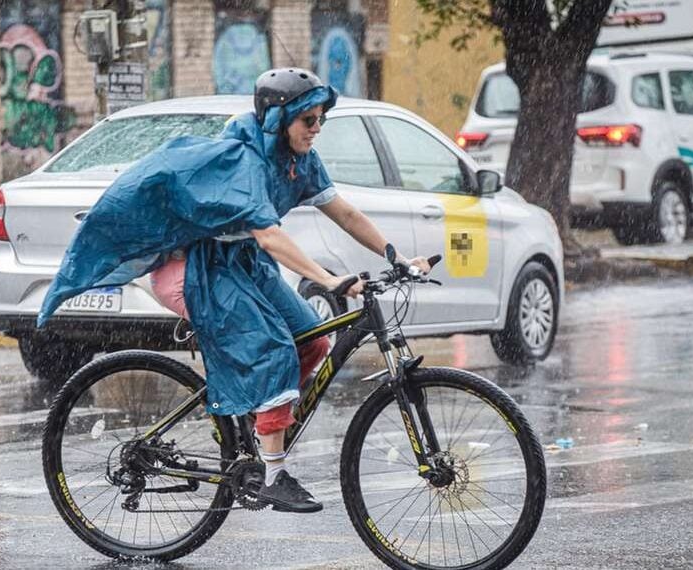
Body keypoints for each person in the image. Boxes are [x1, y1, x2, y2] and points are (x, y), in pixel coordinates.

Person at [38, 68, 430, 513]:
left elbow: (345, 214)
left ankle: (253, 424)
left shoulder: (298, 160)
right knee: (271, 349)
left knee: (314, 340)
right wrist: (329, 279)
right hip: (189, 269)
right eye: (309, 120)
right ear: (278, 121)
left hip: (238, 262)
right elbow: (270, 237)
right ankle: (274, 474)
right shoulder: (243, 163)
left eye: (322, 119)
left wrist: (393, 254)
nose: (318, 128)